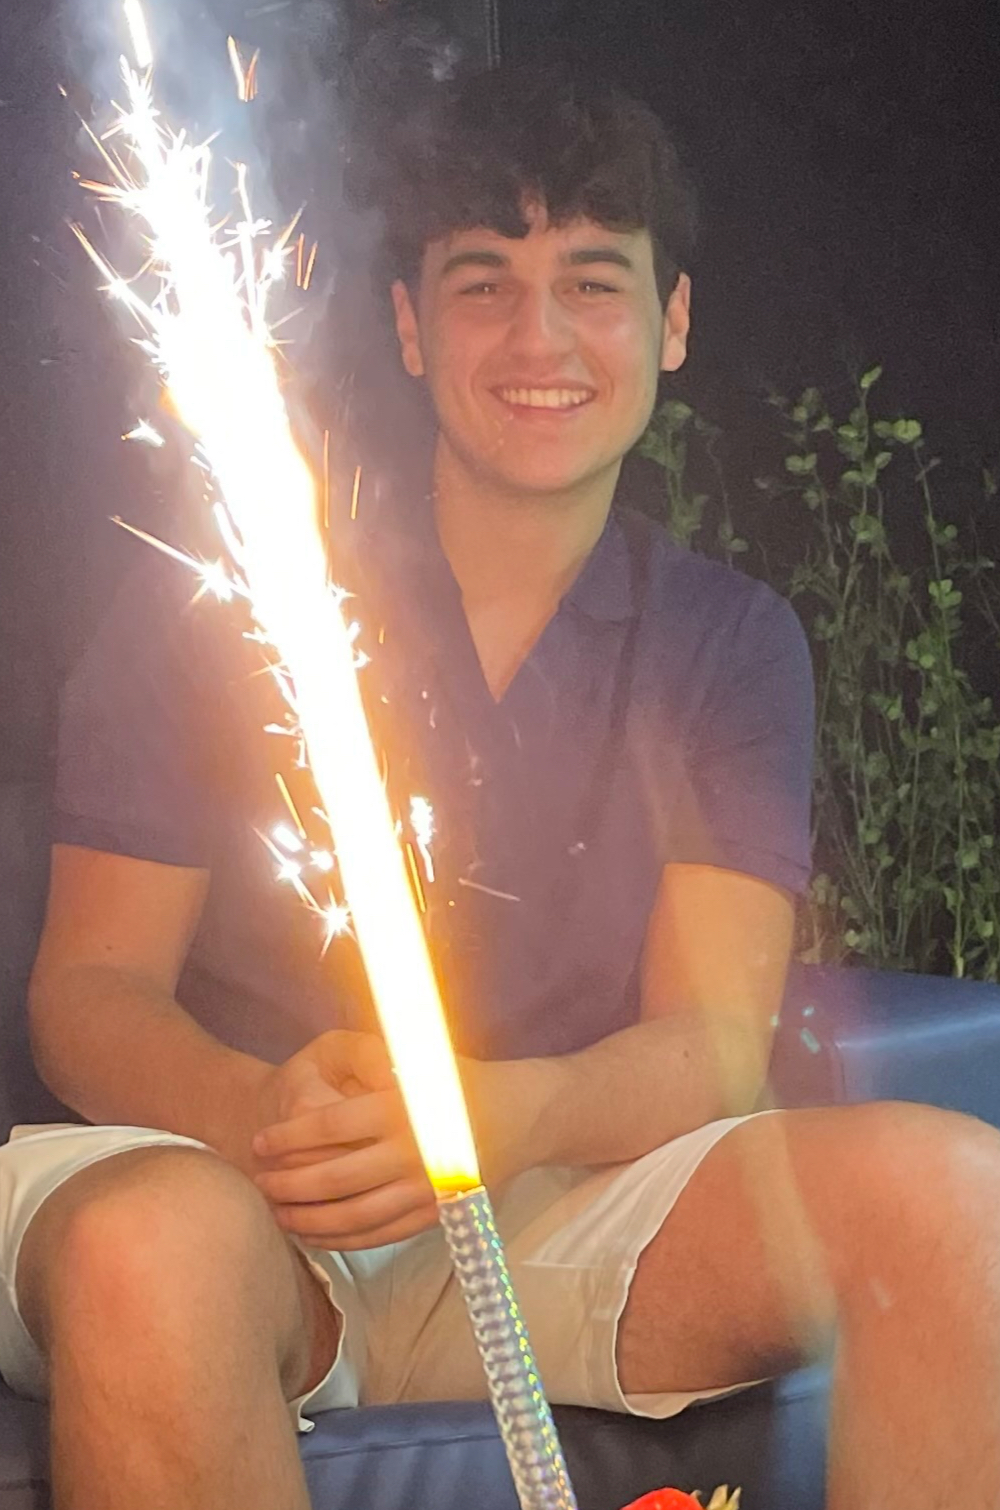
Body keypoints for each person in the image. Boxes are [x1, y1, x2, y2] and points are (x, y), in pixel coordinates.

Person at [3, 60, 999, 1510]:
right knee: (148, 1246)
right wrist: (268, 1113)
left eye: (593, 281)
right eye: (483, 284)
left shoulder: (726, 643)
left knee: (960, 1198)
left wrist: (504, 1119)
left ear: (672, 321)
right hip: (219, 1188)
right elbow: (89, 988)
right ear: (410, 327)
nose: (540, 337)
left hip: (549, 1201)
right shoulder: (233, 597)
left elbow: (713, 1040)